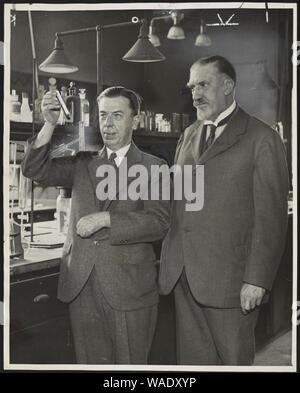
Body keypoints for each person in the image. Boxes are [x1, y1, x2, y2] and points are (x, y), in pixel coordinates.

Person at [21, 86, 170, 364]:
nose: (108, 124)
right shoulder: (82, 162)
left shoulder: (154, 166)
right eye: (103, 116)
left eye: (117, 115)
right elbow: (34, 170)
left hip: (129, 289)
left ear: (135, 121)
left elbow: (158, 222)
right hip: (82, 285)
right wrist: (49, 124)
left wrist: (106, 219)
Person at [159, 56, 289, 365]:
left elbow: (271, 218)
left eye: (203, 84)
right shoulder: (189, 135)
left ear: (228, 86)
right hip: (184, 276)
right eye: (192, 87)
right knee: (193, 364)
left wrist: (257, 279)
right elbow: (178, 202)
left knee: (233, 364)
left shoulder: (262, 138)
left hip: (232, 283)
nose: (195, 94)